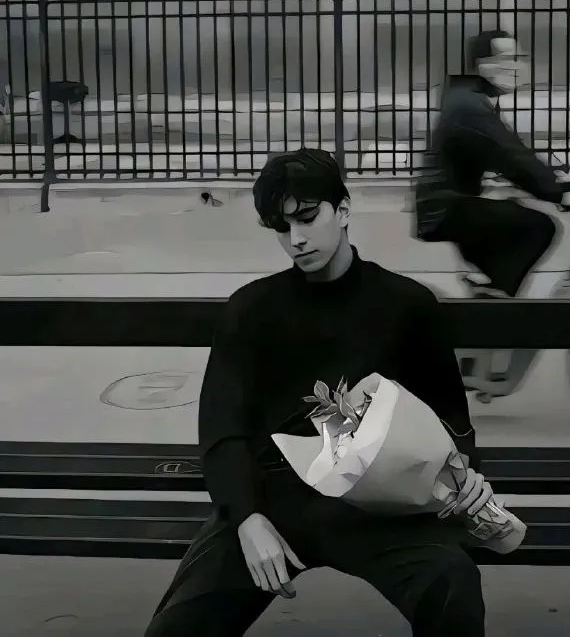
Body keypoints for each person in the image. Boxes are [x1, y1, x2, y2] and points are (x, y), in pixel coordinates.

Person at [145, 147, 499, 637]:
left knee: (451, 583)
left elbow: (450, 418)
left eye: (308, 217)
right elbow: (222, 430)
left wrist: (467, 473)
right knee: (175, 630)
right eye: (281, 226)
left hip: (378, 502)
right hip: (272, 498)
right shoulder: (252, 310)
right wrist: (246, 518)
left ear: (344, 209)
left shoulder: (407, 305)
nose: (296, 239)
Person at [416, 29, 570, 298]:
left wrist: (560, 182)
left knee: (513, 220)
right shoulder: (469, 107)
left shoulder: (468, 97)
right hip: (446, 208)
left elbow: (507, 152)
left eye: (519, 58)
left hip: (450, 204)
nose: (514, 67)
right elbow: (510, 155)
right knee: (537, 227)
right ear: (480, 65)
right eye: (504, 59)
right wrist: (559, 192)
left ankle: (490, 296)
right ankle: (497, 300)